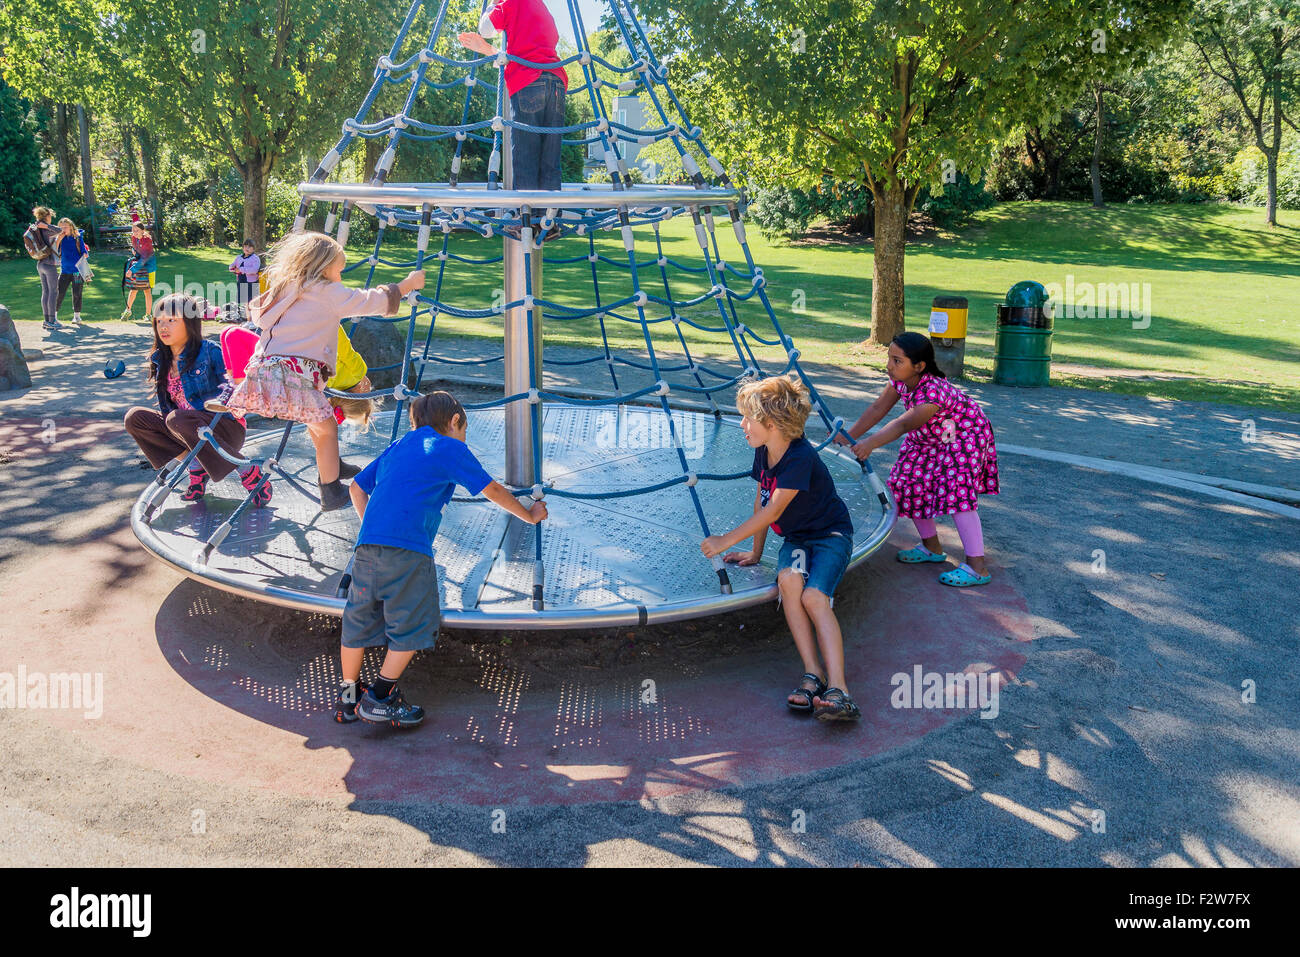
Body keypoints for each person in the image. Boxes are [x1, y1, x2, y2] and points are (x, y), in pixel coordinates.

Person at [335, 391, 547, 727]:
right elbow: (491, 489)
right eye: (464, 430)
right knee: (412, 623)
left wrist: (373, 530)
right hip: (408, 552)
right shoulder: (449, 447)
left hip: (367, 549)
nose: (463, 437)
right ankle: (380, 697)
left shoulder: (399, 446)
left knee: (356, 623)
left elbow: (356, 489)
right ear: (454, 421)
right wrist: (529, 515)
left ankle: (349, 700)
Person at [214, 230, 424, 511]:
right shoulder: (327, 292)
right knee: (327, 429)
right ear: (324, 268)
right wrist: (407, 285)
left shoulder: (285, 288)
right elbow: (370, 300)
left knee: (318, 423)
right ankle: (331, 491)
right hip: (295, 376)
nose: (340, 277)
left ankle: (332, 465)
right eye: (339, 270)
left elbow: (257, 312)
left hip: (265, 371)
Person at [701, 375, 860, 722]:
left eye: (747, 418)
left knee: (814, 597)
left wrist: (725, 540)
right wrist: (755, 552)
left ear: (771, 424)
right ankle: (813, 673)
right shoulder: (764, 451)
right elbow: (762, 500)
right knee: (789, 581)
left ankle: (840, 689)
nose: (742, 425)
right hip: (798, 539)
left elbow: (774, 511)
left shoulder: (800, 456)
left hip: (830, 535)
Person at [837, 331, 1000, 587]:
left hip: (962, 435)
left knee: (957, 494)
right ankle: (931, 548)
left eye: (897, 361)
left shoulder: (932, 392)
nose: (889, 366)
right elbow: (878, 408)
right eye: (889, 358)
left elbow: (902, 424)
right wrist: (848, 435)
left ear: (919, 366)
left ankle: (977, 567)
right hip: (927, 437)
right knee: (908, 483)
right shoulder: (900, 381)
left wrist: (869, 444)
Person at [123, 294, 272, 506]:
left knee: (177, 419)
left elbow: (233, 388)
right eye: (159, 321)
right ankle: (196, 466)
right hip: (184, 429)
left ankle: (246, 468)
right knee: (135, 418)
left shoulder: (210, 351)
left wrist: (225, 398)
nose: (163, 326)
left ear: (189, 322)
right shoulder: (160, 359)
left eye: (171, 320)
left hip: (224, 428)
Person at [461, 0, 567, 227]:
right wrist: (491, 51)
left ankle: (526, 221)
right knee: (550, 157)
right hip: (557, 81)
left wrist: (493, 5)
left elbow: (486, 28)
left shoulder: (510, 2)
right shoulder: (542, 9)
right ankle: (549, 221)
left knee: (526, 154)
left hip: (529, 83)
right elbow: (528, 50)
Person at [24, 207, 63, 332]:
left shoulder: (35, 228)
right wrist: (46, 226)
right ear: (47, 216)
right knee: (53, 292)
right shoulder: (46, 229)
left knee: (46, 291)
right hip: (49, 264)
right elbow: (61, 230)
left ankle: (46, 321)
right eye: (50, 215)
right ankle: (52, 321)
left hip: (40, 263)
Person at [52, 218, 90, 325]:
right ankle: (53, 316)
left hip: (77, 271)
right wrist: (59, 238)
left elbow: (84, 252)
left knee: (77, 293)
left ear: (71, 227)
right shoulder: (59, 237)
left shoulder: (77, 237)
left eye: (65, 227)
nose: (63, 229)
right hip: (64, 270)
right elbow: (53, 250)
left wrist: (85, 255)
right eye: (61, 227)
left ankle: (77, 317)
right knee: (59, 293)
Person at [121, 221, 156, 321]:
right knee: (133, 289)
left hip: (149, 268)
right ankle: (128, 310)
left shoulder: (147, 241)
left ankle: (148, 315)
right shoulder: (134, 238)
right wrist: (135, 253)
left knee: (147, 291)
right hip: (138, 267)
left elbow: (144, 258)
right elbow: (138, 253)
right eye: (133, 230)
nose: (135, 232)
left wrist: (131, 270)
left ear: (142, 231)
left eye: (137, 230)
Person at [229, 240, 261, 316]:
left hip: (251, 283)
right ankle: (245, 317)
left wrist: (241, 269)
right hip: (241, 280)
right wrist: (232, 268)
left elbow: (254, 270)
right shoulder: (239, 257)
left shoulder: (255, 258)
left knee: (251, 300)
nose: (247, 248)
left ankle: (253, 318)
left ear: (253, 249)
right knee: (243, 300)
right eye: (245, 246)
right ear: (243, 247)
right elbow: (233, 265)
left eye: (250, 247)